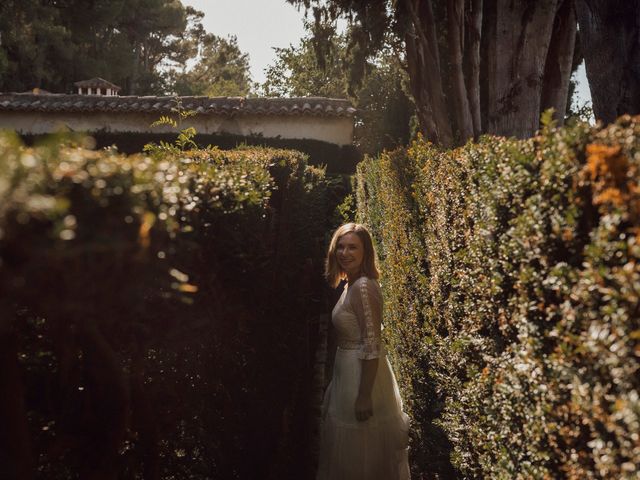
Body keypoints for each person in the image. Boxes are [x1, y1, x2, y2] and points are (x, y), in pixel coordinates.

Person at [317, 223, 410, 480]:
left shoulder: (363, 287)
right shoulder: (351, 283)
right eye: (341, 246)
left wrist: (364, 395)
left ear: (365, 252)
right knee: (350, 453)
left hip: (361, 377)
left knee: (362, 452)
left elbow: (372, 343)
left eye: (353, 247)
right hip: (347, 374)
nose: (345, 253)